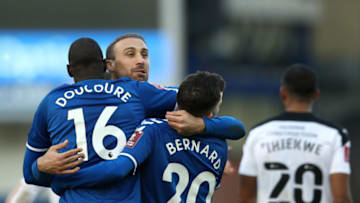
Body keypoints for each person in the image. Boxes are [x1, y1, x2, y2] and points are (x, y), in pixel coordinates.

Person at [23, 37, 245, 202]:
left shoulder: (51, 101)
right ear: (106, 65)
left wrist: (41, 169)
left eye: (145, 54)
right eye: (131, 54)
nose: (141, 61)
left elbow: (30, 174)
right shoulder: (139, 95)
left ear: (70, 70)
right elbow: (228, 120)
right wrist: (208, 129)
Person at [50, 71, 231, 203]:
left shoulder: (152, 129)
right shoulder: (221, 146)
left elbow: (118, 168)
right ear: (209, 116)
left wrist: (63, 180)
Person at [238, 64, 352, 203]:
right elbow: (341, 197)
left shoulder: (258, 133)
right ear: (316, 94)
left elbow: (246, 196)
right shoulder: (335, 135)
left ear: (283, 93)